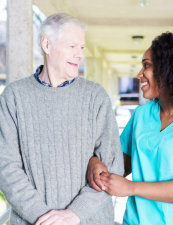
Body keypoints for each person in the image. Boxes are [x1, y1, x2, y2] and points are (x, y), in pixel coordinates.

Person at [88, 32, 173, 225]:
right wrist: (95, 162)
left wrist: (131, 188)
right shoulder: (141, 115)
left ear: (171, 70)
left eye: (147, 66)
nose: (139, 74)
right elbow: (118, 164)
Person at [0, 13, 123, 225]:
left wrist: (73, 214)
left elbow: (113, 166)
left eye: (82, 48)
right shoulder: (14, 96)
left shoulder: (95, 96)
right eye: (72, 46)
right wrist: (45, 218)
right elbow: (6, 166)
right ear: (47, 44)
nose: (79, 55)